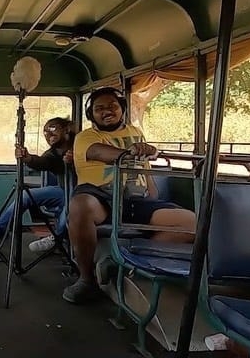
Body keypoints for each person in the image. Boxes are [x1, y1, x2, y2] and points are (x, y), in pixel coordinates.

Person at [63, 87, 196, 305]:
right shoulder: (85, 137)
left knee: (194, 224)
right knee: (80, 205)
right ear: (91, 115)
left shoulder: (134, 132)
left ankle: (121, 260)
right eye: (99, 109)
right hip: (100, 196)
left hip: (136, 199)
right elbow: (99, 152)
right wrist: (130, 152)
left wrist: (152, 194)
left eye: (112, 106)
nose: (107, 111)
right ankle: (86, 280)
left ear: (122, 109)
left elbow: (143, 166)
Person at [0, 116, 74, 252]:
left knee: (71, 205)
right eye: (45, 132)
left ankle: (57, 237)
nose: (49, 134)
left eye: (53, 129)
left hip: (82, 192)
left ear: (66, 130)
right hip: (63, 190)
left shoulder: (80, 144)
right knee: (25, 196)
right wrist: (28, 158)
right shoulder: (52, 153)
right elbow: (42, 162)